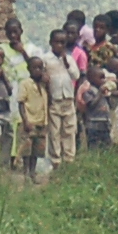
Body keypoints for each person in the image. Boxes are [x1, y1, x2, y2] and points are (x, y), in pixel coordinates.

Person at [42, 26, 80, 169]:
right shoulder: (46, 59)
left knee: (69, 130)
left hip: (68, 100)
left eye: (62, 43)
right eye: (56, 42)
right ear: (51, 43)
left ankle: (69, 159)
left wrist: (67, 63)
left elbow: (75, 75)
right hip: (54, 100)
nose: (59, 45)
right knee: (54, 131)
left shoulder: (69, 59)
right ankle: (55, 161)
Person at [17, 56, 54, 181]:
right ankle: (26, 172)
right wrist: (25, 121)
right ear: (29, 69)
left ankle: (32, 172)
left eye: (40, 68)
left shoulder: (44, 85)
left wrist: (48, 85)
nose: (38, 71)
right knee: (27, 149)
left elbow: (50, 101)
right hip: (30, 121)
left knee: (37, 151)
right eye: (35, 68)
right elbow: (21, 103)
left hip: (41, 122)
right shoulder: (25, 84)